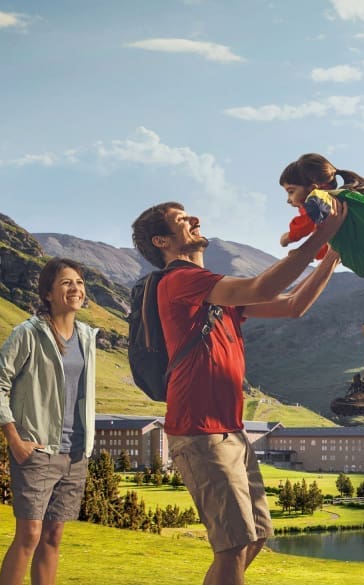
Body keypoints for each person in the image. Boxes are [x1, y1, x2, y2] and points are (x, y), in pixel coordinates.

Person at [130, 199, 345, 585]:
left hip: (230, 429)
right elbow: (265, 285)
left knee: (254, 538)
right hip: (199, 431)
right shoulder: (178, 280)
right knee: (231, 547)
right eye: (182, 220)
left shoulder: (212, 293)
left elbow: (293, 305)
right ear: (161, 241)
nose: (195, 219)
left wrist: (331, 257)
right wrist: (321, 234)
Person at [0, 258, 99, 585]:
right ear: (48, 292)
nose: (75, 288)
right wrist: (15, 441)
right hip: (37, 450)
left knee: (52, 537)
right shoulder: (28, 334)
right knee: (29, 535)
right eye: (66, 283)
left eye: (78, 282)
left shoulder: (87, 337)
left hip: (75, 453)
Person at [278, 153, 364, 418]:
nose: (289, 200)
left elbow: (307, 222)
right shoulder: (338, 207)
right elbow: (324, 244)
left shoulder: (325, 200)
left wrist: (289, 238)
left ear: (313, 185)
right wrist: (303, 253)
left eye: (291, 191)